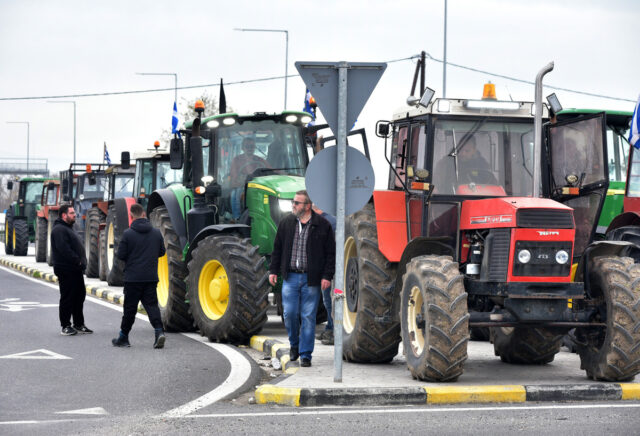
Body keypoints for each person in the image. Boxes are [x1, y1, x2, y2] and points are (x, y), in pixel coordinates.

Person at [269, 190, 335, 367]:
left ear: (307, 206)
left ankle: (306, 354)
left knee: (308, 316)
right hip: (290, 277)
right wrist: (273, 271)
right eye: (293, 202)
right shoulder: (286, 223)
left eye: (297, 203)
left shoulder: (323, 225)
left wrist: (327, 276)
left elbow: (330, 254)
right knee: (289, 313)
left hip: (311, 279)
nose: (293, 205)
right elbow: (277, 248)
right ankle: (294, 345)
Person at [112, 203, 167, 348]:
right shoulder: (156, 232)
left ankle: (123, 338)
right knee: (152, 306)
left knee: (130, 309)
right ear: (144, 215)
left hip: (133, 278)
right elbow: (162, 252)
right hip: (150, 277)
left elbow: (121, 255)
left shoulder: (128, 234)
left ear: (131, 216)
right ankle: (159, 332)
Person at [50, 204, 92, 336]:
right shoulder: (59, 230)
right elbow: (64, 250)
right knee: (67, 297)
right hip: (66, 269)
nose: (75, 215)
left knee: (79, 296)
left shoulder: (69, 228)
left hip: (75, 269)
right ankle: (65, 325)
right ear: (64, 215)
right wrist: (78, 260)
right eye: (72, 213)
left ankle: (78, 324)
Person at [312, 204, 336, 346]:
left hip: (329, 270)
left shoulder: (326, 223)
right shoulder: (328, 221)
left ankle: (333, 330)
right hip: (329, 269)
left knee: (329, 300)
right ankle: (329, 328)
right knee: (329, 300)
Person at [229, 137, 269, 218]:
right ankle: (237, 217)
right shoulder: (237, 160)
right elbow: (234, 175)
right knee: (235, 194)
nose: (250, 148)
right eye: (247, 146)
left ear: (255, 147)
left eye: (252, 146)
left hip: (258, 184)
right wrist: (240, 182)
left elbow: (270, 169)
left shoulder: (259, 159)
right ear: (242, 148)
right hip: (242, 184)